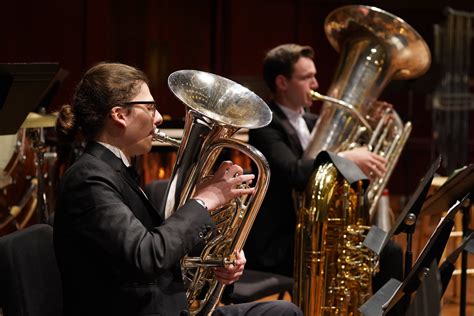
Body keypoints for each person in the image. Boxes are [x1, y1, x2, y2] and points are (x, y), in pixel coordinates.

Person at [53, 62, 302, 316]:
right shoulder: (88, 179)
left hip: (164, 306)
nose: (159, 117)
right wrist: (203, 202)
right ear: (119, 115)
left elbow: (162, 250)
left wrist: (219, 262)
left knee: (283, 311)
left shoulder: (116, 170)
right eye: (150, 108)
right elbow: (146, 256)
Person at [244, 43, 402, 285]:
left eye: (315, 76)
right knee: (369, 257)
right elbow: (293, 172)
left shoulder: (311, 121)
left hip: (319, 230)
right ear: (282, 83)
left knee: (388, 248)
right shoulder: (265, 125)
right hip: (284, 241)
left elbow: (351, 156)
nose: (316, 84)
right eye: (307, 77)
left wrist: (372, 122)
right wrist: (345, 157)